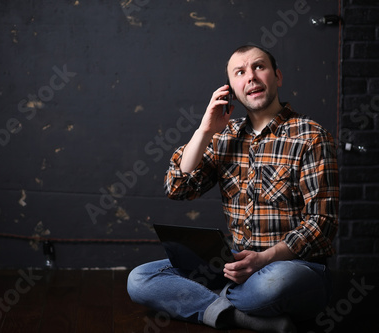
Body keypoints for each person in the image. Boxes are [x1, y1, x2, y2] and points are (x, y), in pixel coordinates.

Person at [127, 45, 339, 332]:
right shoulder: (224, 136)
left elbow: (321, 224)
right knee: (139, 280)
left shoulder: (311, 136)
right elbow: (177, 187)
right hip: (234, 266)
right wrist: (204, 130)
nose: (250, 76)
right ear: (233, 90)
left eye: (259, 67)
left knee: (270, 288)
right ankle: (241, 316)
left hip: (294, 267)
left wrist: (263, 259)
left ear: (277, 76)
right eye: (240, 72)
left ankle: (212, 304)